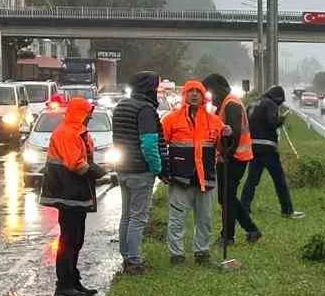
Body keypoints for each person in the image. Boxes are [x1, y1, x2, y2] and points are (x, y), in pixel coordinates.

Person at [39, 97, 100, 296]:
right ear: (79, 113)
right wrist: (95, 171)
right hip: (67, 192)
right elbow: (76, 164)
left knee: (76, 238)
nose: (90, 116)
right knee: (69, 239)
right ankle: (64, 284)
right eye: (88, 113)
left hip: (73, 192)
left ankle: (73, 280)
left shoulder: (78, 132)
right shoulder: (67, 133)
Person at [162, 80, 223, 264]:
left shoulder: (214, 121)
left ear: (203, 96)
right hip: (180, 179)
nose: (195, 94)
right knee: (177, 219)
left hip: (206, 179)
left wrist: (228, 136)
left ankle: (202, 252)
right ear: (185, 95)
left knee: (205, 220)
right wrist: (164, 170)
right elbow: (160, 145)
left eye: (198, 91)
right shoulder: (171, 119)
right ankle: (176, 255)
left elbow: (223, 148)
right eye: (191, 91)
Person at [110, 71, 163, 273]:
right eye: (155, 87)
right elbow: (149, 144)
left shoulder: (122, 105)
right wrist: (157, 168)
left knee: (126, 216)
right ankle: (134, 261)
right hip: (140, 170)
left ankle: (126, 256)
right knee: (138, 218)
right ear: (149, 88)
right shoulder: (145, 109)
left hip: (123, 169)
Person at [205, 74, 261, 247]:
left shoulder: (232, 104)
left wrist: (226, 155)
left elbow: (235, 133)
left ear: (218, 89)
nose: (209, 97)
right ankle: (251, 230)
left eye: (210, 93)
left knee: (227, 198)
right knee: (226, 197)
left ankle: (228, 236)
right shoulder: (225, 104)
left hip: (234, 158)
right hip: (230, 157)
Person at [241, 84, 304, 219]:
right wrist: (281, 119)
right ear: (278, 98)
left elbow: (245, 123)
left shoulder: (253, 104)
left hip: (253, 147)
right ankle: (287, 210)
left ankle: (244, 207)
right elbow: (272, 123)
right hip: (268, 148)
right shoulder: (270, 104)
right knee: (279, 180)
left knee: (251, 180)